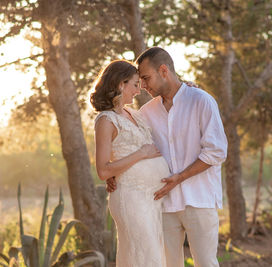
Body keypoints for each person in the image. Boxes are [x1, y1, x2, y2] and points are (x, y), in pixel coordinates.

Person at [107, 47, 228, 267]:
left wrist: (179, 177)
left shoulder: (201, 101)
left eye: (146, 78)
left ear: (164, 70)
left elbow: (216, 151)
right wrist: (115, 173)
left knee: (206, 263)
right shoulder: (146, 112)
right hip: (161, 203)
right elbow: (131, 144)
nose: (143, 86)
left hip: (199, 199)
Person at [91, 59, 170, 266]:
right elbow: (102, 170)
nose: (139, 90)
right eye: (135, 84)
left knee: (151, 256)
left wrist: (188, 86)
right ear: (120, 84)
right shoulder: (106, 120)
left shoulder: (134, 114)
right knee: (146, 257)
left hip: (150, 198)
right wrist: (142, 154)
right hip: (131, 198)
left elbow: (167, 106)